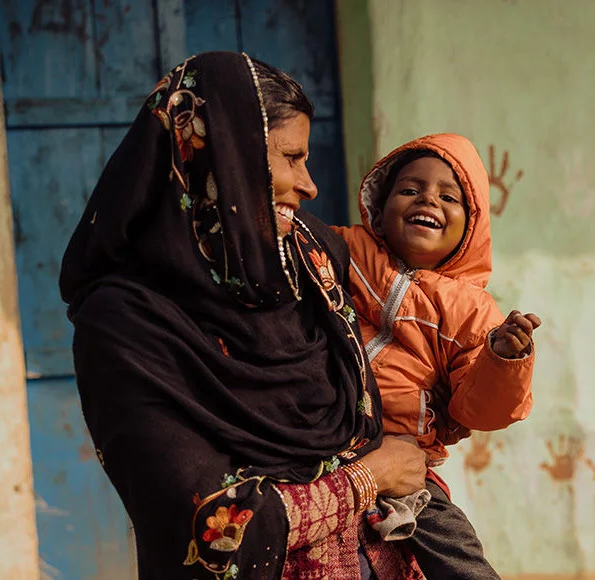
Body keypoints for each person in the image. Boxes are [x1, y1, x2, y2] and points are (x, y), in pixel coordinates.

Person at [59, 51, 431, 579]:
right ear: (226, 157)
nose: (310, 185)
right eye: (290, 158)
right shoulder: (126, 324)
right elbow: (209, 530)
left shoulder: (309, 260)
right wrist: (370, 478)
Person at [333, 134, 542, 578]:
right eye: (410, 189)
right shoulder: (346, 250)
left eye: (449, 197)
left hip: (405, 458)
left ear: (470, 227)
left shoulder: (472, 311)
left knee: (456, 550)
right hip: (324, 437)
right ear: (378, 209)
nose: (427, 199)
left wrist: (503, 359)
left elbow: (476, 409)